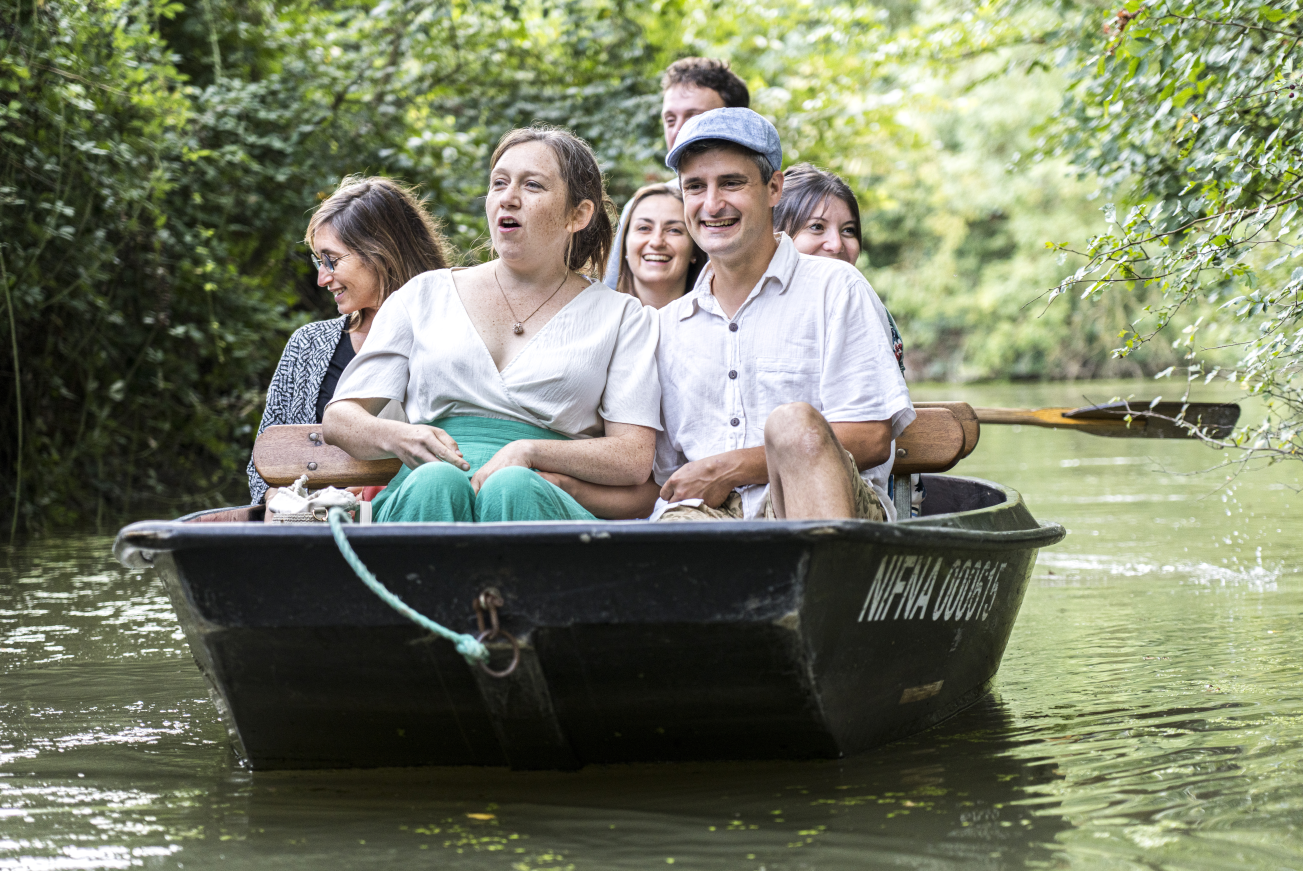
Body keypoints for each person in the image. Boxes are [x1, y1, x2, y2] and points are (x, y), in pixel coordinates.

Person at [321, 127, 661, 523]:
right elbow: (341, 418)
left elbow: (634, 456)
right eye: (499, 183)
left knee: (513, 485)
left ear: (578, 215)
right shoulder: (425, 294)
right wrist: (399, 436)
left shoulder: (622, 316)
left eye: (532, 185)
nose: (508, 198)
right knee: (436, 482)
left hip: (537, 499)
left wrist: (532, 452)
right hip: (425, 490)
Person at [653, 108, 914, 522]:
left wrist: (729, 466)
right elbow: (663, 475)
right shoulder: (666, 326)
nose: (712, 203)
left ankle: (824, 584)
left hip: (830, 510)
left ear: (773, 188)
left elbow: (871, 438)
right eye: (695, 187)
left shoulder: (836, 288)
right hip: (717, 518)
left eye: (732, 183)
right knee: (674, 522)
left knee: (793, 424)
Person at [246, 175, 450, 505]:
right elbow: (263, 466)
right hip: (319, 535)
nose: (322, 278)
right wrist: (284, 504)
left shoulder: (457, 337)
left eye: (331, 260)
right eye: (318, 261)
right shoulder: (307, 347)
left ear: (381, 252)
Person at [603, 57, 750, 289]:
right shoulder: (647, 203)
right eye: (670, 120)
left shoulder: (766, 201)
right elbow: (613, 285)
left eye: (693, 118)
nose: (679, 131)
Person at [773, 163, 905, 373]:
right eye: (816, 227)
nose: (836, 244)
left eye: (848, 230)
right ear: (774, 234)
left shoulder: (857, 303)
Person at [615, 183, 704, 308]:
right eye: (644, 228)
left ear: (695, 249)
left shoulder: (719, 324)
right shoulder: (597, 320)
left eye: (674, 230)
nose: (657, 242)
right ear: (624, 246)